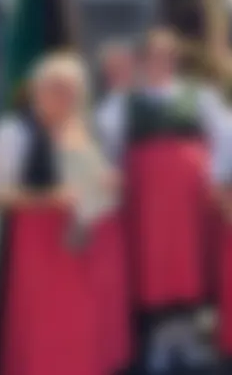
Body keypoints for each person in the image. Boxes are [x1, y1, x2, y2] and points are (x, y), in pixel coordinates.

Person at [0, 53, 131, 375]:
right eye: (57, 87)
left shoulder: (92, 129)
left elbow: (103, 180)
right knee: (46, 326)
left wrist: (110, 182)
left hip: (92, 239)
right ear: (37, 90)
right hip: (41, 245)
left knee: (90, 324)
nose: (66, 96)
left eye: (73, 89)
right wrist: (46, 198)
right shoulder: (14, 131)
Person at [95, 29, 229, 372]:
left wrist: (216, 180)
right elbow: (105, 137)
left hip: (189, 194)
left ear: (175, 59)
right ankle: (158, 343)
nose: (161, 60)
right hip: (146, 196)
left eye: (167, 54)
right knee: (152, 265)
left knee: (189, 263)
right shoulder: (126, 99)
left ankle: (185, 341)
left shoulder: (200, 94)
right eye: (154, 54)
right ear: (142, 58)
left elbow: (226, 135)